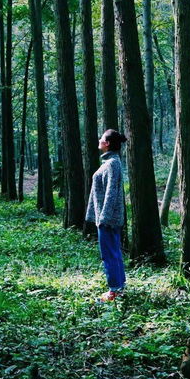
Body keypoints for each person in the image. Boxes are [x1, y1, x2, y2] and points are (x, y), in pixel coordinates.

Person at [85, 129, 127, 302]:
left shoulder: (111, 164)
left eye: (101, 137)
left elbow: (111, 193)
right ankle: (119, 288)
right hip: (108, 217)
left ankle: (114, 292)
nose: (99, 139)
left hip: (108, 219)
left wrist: (104, 218)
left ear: (107, 143)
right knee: (114, 252)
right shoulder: (111, 162)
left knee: (109, 254)